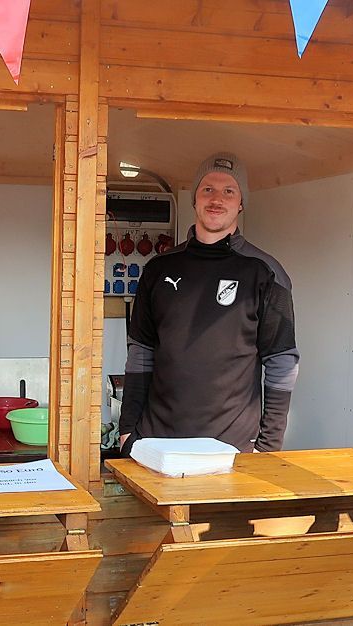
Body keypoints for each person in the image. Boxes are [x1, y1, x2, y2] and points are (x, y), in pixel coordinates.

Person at [118, 152, 299, 455]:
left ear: (241, 203)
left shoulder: (267, 273)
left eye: (229, 191)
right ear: (195, 198)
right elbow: (141, 352)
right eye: (208, 189)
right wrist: (127, 430)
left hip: (231, 449)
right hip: (158, 443)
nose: (217, 199)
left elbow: (282, 361)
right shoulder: (159, 268)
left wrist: (268, 447)